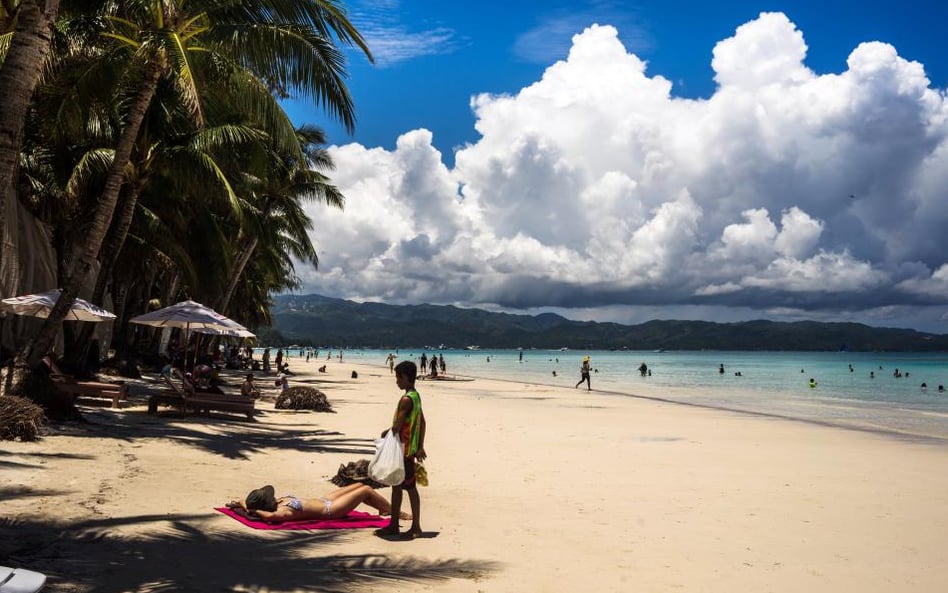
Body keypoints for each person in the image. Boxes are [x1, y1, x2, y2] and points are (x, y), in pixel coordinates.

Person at [376, 360, 426, 539]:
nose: (396, 381)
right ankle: (395, 524)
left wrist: (385, 433)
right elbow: (423, 422)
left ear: (405, 377)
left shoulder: (406, 399)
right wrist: (420, 446)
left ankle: (415, 526)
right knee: (397, 486)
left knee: (409, 488)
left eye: (397, 378)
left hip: (403, 450)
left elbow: (397, 427)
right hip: (409, 449)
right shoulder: (416, 396)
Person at [227, 483, 410, 524]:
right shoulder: (281, 511)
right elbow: (269, 516)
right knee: (367, 491)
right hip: (330, 510)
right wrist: (255, 510)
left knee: (361, 485)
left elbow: (245, 501)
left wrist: (243, 504)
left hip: (325, 500)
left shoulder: (278, 501)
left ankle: (385, 509)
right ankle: (396, 512)